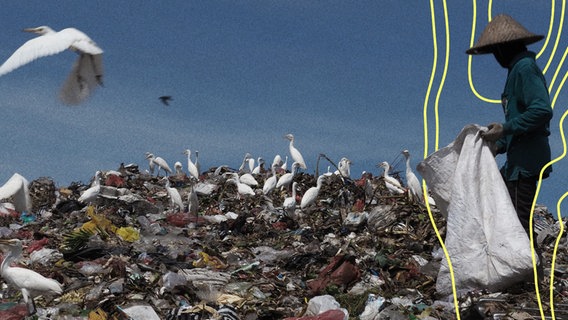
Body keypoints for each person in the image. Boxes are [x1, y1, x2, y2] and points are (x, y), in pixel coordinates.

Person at [467, 15, 553, 242]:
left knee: (517, 225)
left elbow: (542, 110)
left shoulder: (525, 68)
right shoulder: (515, 72)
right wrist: (498, 144)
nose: (496, 57)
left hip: (526, 162)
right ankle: (525, 272)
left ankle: (528, 274)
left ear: (505, 48)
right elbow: (520, 119)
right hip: (517, 162)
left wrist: (504, 129)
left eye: (496, 51)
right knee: (507, 218)